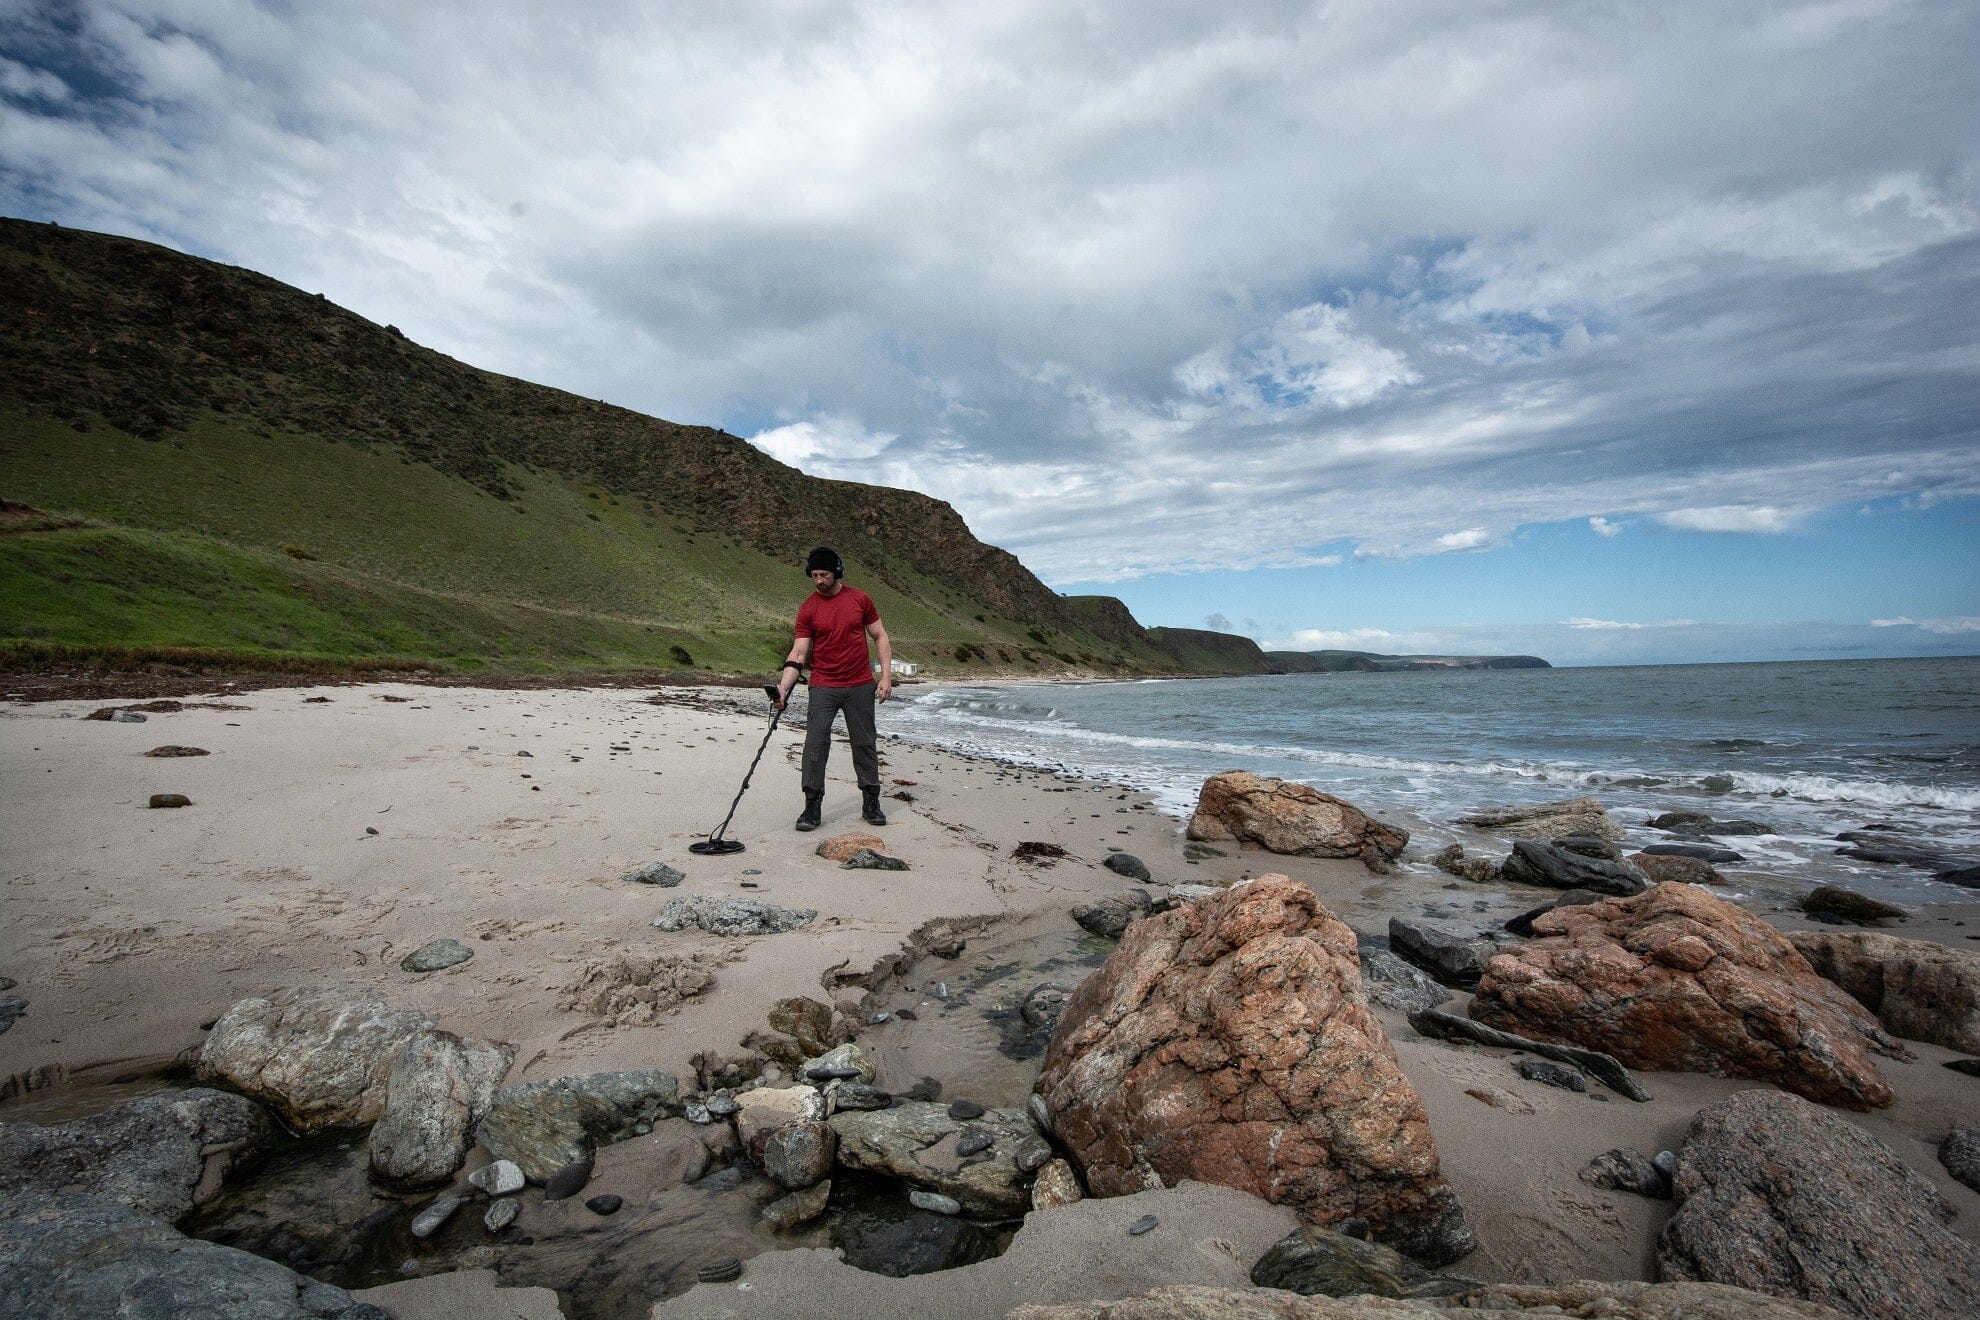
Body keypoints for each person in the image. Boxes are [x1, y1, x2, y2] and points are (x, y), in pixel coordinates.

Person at [772, 546, 892, 831]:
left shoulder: (860, 599)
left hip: (860, 684)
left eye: (823, 574)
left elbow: (880, 636)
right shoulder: (808, 609)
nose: (818, 580)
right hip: (823, 685)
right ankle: (812, 807)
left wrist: (885, 677)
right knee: (815, 744)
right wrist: (783, 689)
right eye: (813, 575)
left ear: (836, 572)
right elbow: (799, 653)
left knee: (864, 744)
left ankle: (871, 802)